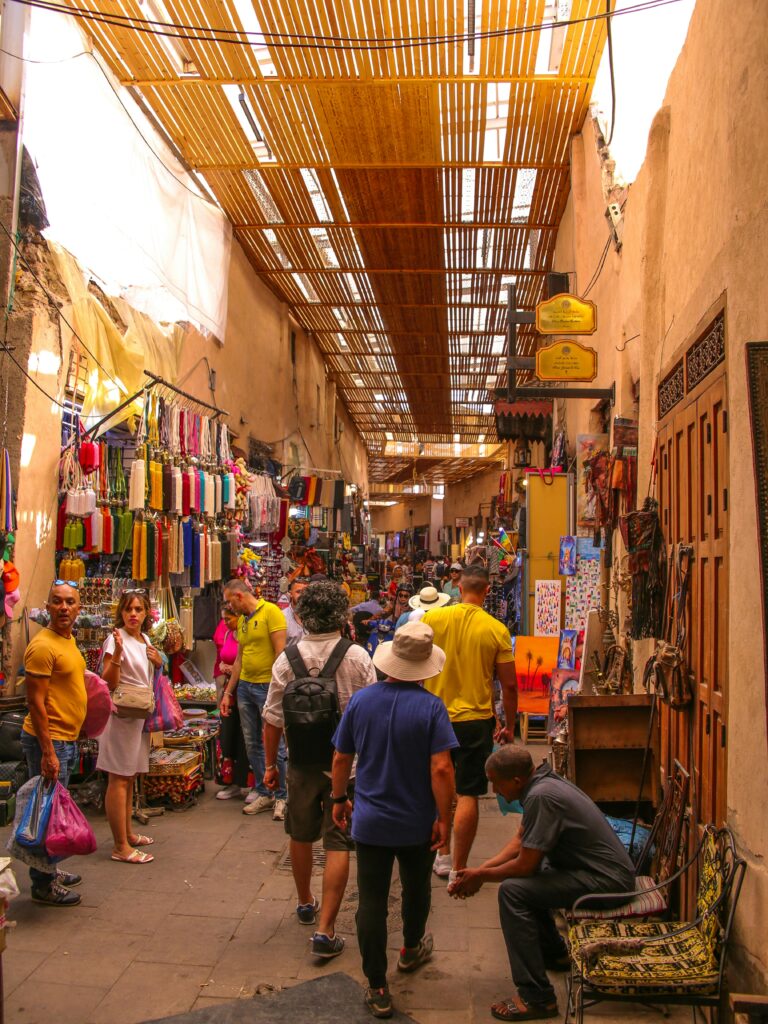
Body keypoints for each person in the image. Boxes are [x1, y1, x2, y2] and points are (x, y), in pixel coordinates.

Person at [450, 747, 636, 1022]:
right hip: (597, 872)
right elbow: (521, 841)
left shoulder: (541, 796)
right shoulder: (541, 783)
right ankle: (555, 954)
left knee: (513, 892)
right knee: (530, 879)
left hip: (609, 882)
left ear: (515, 781)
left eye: (496, 783)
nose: (495, 791)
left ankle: (537, 997)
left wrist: (482, 877)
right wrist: (478, 871)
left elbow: (525, 865)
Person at [331, 622, 458, 1020]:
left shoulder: (362, 701)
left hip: (370, 821)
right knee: (416, 889)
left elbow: (341, 757)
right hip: (417, 821)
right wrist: (444, 819)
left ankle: (377, 985)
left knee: (371, 900)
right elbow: (442, 769)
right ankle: (411, 948)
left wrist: (339, 798)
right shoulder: (432, 707)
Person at [263, 581, 376, 959]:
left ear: (301, 616)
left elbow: (272, 719)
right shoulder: (357, 657)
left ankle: (304, 901)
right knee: (338, 841)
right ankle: (326, 929)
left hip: (301, 763)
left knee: (299, 834)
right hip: (348, 766)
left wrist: (270, 765)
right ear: (342, 615)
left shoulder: (287, 659)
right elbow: (370, 715)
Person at [422, 564, 517, 880]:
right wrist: (509, 725)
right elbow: (509, 685)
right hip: (475, 721)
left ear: (459, 589)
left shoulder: (432, 620)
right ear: (487, 591)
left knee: (438, 786)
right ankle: (459, 868)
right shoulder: (496, 630)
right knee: (467, 793)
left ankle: (442, 855)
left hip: (435, 717)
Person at [21, 580, 89, 906]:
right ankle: (42, 884)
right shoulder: (42, 646)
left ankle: (50, 869)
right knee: (45, 813)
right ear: (47, 607)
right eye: (57, 602)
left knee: (54, 810)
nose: (64, 607)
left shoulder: (67, 640)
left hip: (66, 739)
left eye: (70, 602)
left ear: (79, 608)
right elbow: (35, 703)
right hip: (49, 741)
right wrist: (48, 751)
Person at [99, 590, 162, 864]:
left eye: (138, 609)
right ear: (121, 612)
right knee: (118, 777)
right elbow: (108, 682)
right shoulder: (116, 639)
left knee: (129, 776)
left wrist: (158, 662)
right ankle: (120, 846)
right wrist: (117, 655)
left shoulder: (145, 639)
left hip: (139, 714)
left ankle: (127, 834)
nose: (133, 614)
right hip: (121, 715)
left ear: (146, 612)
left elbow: (147, 674)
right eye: (128, 609)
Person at [220, 579, 288, 819]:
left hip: (267, 686)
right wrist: (228, 692)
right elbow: (240, 658)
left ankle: (282, 796)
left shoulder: (271, 612)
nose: (229, 606)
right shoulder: (243, 621)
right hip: (245, 688)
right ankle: (264, 791)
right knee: (252, 743)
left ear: (239, 596)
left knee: (275, 744)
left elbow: (280, 653)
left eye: (229, 601)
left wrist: (276, 690)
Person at [212, 606, 250, 801]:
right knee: (228, 733)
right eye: (224, 619)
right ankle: (231, 781)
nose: (226, 623)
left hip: (246, 688)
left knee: (246, 736)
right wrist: (222, 667)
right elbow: (222, 658)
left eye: (229, 619)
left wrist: (234, 670)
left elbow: (248, 662)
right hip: (229, 690)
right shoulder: (228, 634)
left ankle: (249, 783)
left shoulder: (247, 636)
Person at [283, 578, 308, 647]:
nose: (303, 595)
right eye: (298, 592)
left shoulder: (314, 616)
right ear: (291, 594)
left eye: (306, 592)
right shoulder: (282, 617)